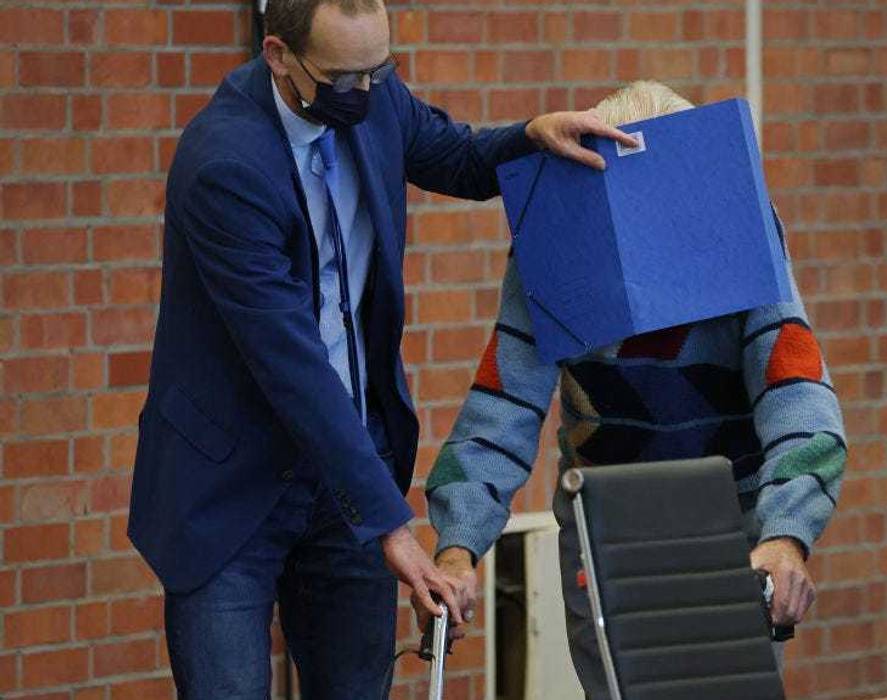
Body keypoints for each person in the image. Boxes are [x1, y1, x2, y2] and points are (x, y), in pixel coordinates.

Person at [125, 0, 636, 694]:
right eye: (344, 79)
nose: (365, 94)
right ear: (277, 55)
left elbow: (453, 156)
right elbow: (290, 362)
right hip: (228, 488)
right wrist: (394, 530)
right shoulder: (224, 164)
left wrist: (532, 135)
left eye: (380, 70)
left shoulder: (367, 94)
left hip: (347, 476)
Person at [426, 81, 848, 697]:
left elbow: (801, 398)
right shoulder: (554, 241)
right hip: (606, 517)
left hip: (730, 513)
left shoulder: (738, 230)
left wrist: (787, 536)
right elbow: (501, 408)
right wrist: (457, 547)